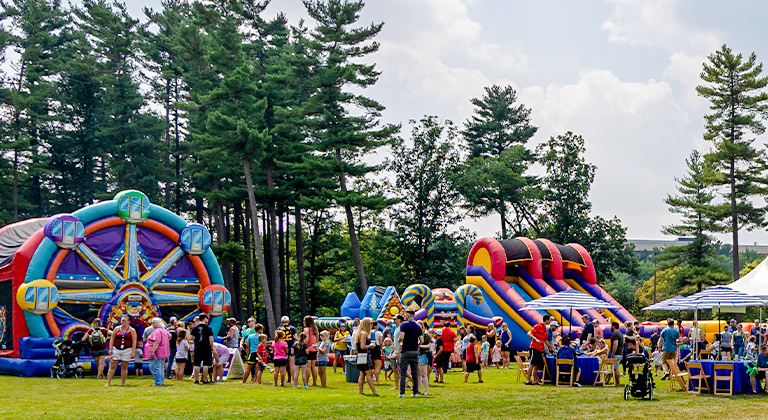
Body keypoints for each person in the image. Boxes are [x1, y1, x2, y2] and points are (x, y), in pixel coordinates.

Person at [105, 314, 137, 387]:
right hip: (116, 349)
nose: (122, 322)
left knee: (124, 366)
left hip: (127, 349)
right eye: (121, 320)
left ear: (128, 321)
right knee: (113, 365)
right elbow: (112, 339)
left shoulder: (132, 330)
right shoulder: (117, 328)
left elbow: (134, 341)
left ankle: (123, 382)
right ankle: (108, 382)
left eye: (124, 321)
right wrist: (110, 348)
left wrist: (133, 352)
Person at [398, 308, 421, 397]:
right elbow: (421, 340)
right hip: (415, 351)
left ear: (407, 315)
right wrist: (417, 344)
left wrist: (398, 340)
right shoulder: (417, 326)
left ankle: (402, 393)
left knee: (403, 373)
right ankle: (415, 392)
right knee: (414, 373)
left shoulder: (404, 325)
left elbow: (401, 337)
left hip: (405, 351)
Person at [354, 317, 379, 396]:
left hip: (360, 356)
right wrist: (370, 346)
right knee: (369, 374)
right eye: (371, 323)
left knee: (362, 374)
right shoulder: (364, 334)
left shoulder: (359, 333)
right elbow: (362, 346)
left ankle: (360, 391)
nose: (372, 325)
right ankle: (374, 392)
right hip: (365, 355)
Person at [191, 313, 218, 384]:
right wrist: (212, 347)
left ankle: (196, 379)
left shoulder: (194, 328)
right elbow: (211, 339)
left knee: (197, 364)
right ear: (204, 318)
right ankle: (205, 379)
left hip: (197, 347)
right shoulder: (208, 328)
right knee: (206, 364)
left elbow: (191, 338)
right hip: (206, 347)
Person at [525, 315, 552, 385]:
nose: (550, 321)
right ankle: (528, 380)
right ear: (546, 320)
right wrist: (535, 339)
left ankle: (535, 380)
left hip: (540, 349)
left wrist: (553, 348)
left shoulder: (545, 329)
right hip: (534, 347)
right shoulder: (538, 326)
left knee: (536, 365)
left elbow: (546, 341)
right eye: (549, 320)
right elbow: (529, 333)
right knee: (532, 364)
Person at [146, 317, 171, 386]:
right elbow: (169, 336)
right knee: (160, 367)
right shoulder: (164, 330)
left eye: (153, 323)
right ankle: (160, 381)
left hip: (157, 352)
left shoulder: (157, 331)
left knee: (155, 367)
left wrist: (153, 351)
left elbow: (157, 341)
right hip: (163, 351)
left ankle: (157, 382)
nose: (152, 324)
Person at [278, 316, 297, 384]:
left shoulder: (279, 329)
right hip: (291, 346)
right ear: (288, 321)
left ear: (281, 322)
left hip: (282, 348)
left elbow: (276, 338)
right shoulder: (292, 328)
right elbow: (296, 337)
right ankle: (293, 380)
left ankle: (283, 380)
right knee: (292, 364)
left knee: (283, 364)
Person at [416, 321, 432, 395]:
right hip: (416, 354)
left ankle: (426, 390)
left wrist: (419, 346)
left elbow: (429, 345)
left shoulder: (426, 335)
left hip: (423, 354)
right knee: (417, 374)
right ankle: (418, 390)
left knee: (423, 374)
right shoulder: (414, 335)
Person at [303, 316, 319, 386]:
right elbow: (317, 339)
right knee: (313, 367)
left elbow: (306, 340)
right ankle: (314, 382)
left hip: (308, 349)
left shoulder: (306, 330)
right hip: (314, 348)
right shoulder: (315, 329)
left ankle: (306, 382)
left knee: (308, 366)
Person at [390, 314, 404, 391]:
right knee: (395, 369)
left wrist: (398, 352)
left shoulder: (402, 328)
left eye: (395, 319)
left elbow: (402, 341)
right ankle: (396, 386)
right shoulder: (396, 329)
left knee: (401, 369)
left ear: (399, 320)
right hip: (395, 351)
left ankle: (413, 380)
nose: (394, 320)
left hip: (400, 351)